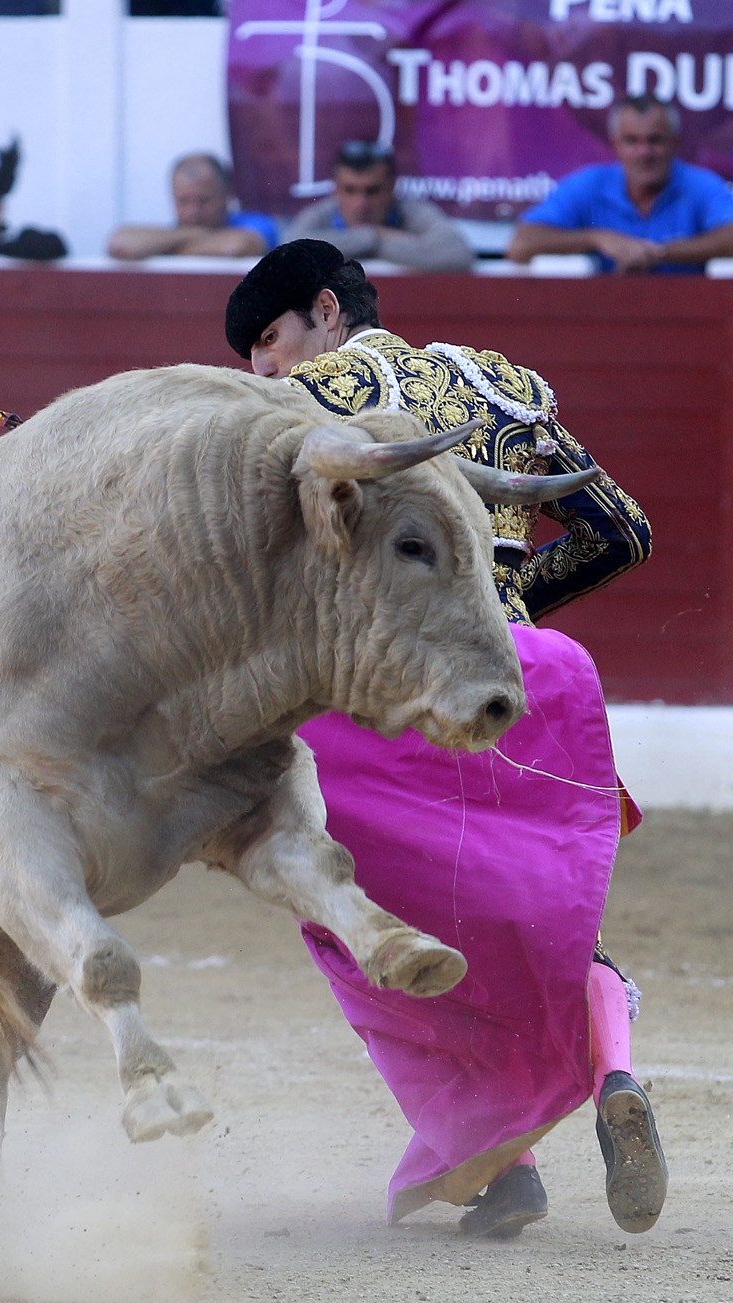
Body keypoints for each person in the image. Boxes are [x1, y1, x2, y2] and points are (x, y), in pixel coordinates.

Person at [224, 239, 665, 1239]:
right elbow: (622, 533)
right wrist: (502, 613)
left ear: (325, 313)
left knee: (366, 927)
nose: (260, 366)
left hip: (398, 700)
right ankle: (616, 1076)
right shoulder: (502, 383)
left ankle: (497, 1161)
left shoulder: (311, 395)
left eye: (267, 337)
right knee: (554, 931)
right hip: (525, 679)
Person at [507, 95, 733, 275]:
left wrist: (659, 253)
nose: (644, 153)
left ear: (675, 143)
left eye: (655, 140)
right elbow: (520, 245)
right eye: (632, 141)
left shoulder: (700, 184)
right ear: (615, 145)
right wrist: (598, 238)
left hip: (688, 321)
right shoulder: (590, 183)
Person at [284, 141, 472, 273]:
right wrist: (373, 236)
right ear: (336, 188)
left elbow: (456, 253)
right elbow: (290, 249)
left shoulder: (411, 211)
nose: (361, 203)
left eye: (372, 191)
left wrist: (372, 242)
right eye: (350, 190)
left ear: (391, 188)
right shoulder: (322, 212)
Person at [106, 152, 279, 261]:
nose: (192, 212)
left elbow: (235, 247)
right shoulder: (175, 234)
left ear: (227, 195)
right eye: (183, 201)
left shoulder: (258, 224)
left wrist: (160, 249)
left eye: (203, 201)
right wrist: (194, 234)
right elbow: (121, 245)